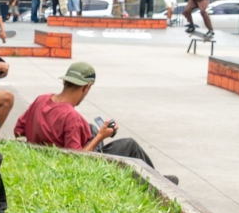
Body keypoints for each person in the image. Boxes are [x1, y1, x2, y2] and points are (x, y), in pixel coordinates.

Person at [14, 62, 178, 183]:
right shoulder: (71, 117)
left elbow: (18, 130)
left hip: (44, 157)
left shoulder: (41, 100)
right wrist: (100, 137)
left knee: (90, 127)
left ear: (64, 82)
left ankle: (156, 177)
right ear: (87, 87)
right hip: (64, 168)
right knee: (129, 145)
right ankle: (158, 182)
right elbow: (75, 160)